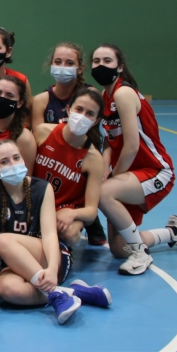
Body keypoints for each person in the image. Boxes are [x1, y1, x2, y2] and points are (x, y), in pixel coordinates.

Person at [92, 45, 177, 275]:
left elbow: (132, 145)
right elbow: (109, 139)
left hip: (155, 170)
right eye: (96, 61)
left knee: (103, 192)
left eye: (107, 60)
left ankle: (141, 254)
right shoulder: (105, 97)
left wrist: (114, 177)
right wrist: (105, 168)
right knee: (118, 248)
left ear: (120, 66)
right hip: (129, 174)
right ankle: (174, 233)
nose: (100, 65)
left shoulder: (123, 93)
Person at [0, 139, 112, 324]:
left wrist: (52, 269)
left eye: (16, 158)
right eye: (4, 162)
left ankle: (54, 290)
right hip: (17, 264)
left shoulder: (42, 188)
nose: (13, 164)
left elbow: (50, 235)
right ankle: (70, 293)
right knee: (7, 289)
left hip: (51, 257)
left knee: (2, 241)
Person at [32, 87, 106, 248]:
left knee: (70, 233)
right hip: (36, 203)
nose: (82, 116)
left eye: (89, 114)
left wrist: (73, 213)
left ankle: (61, 253)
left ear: (96, 121)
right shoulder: (43, 132)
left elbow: (92, 211)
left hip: (63, 210)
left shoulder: (93, 158)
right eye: (79, 109)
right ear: (68, 109)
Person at [32, 43, 87, 127]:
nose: (62, 67)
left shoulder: (90, 95)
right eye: (58, 62)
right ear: (51, 64)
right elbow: (39, 135)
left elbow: (89, 133)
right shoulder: (40, 101)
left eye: (69, 63)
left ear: (80, 69)